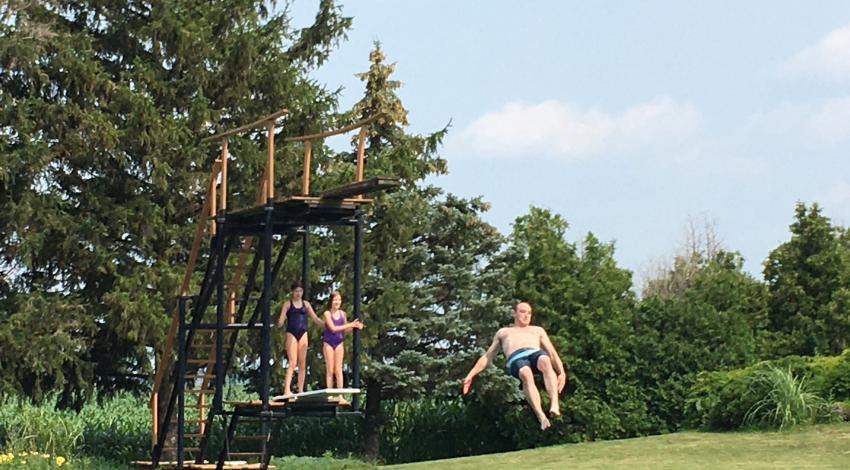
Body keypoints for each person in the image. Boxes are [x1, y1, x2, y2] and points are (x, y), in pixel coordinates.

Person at [462, 302, 567, 430]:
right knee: (526, 374)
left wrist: (561, 372)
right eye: (523, 312)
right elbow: (487, 357)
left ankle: (554, 404)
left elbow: (552, 352)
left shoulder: (537, 330)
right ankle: (541, 417)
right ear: (514, 314)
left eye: (529, 313)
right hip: (516, 358)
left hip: (534, 352)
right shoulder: (504, 332)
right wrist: (470, 375)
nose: (526, 315)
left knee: (545, 360)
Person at [276, 281, 324, 398]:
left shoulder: (306, 304)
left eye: (300, 291)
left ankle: (301, 389)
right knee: (293, 362)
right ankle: (287, 389)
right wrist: (280, 322)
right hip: (291, 333)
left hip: (303, 333)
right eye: (296, 291)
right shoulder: (288, 304)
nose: (298, 293)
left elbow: (315, 318)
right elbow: (281, 320)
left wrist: (326, 324)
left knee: (302, 362)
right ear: (292, 292)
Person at [322, 291, 364, 401]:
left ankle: (340, 395)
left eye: (339, 300)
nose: (337, 302)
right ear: (331, 301)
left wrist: (355, 326)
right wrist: (350, 324)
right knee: (330, 369)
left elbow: (345, 329)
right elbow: (333, 328)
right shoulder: (327, 313)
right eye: (335, 300)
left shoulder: (342, 314)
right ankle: (330, 394)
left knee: (338, 369)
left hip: (339, 342)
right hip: (328, 343)